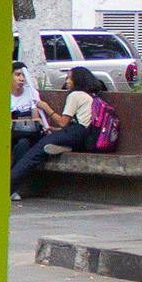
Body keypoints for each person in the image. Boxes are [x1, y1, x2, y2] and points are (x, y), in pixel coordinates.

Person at [9, 66, 105, 198]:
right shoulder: (91, 95)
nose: (67, 81)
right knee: (45, 139)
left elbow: (62, 122)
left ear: (77, 79)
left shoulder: (75, 95)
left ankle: (7, 187)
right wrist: (54, 130)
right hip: (84, 137)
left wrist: (45, 107)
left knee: (35, 152)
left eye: (69, 78)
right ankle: (62, 146)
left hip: (77, 132)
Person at [8, 60, 45, 173]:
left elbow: (35, 118)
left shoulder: (31, 93)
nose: (22, 79)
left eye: (24, 75)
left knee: (24, 143)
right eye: (17, 74)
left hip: (26, 133)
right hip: (10, 133)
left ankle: (12, 178)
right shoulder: (5, 95)